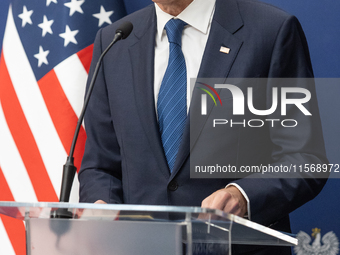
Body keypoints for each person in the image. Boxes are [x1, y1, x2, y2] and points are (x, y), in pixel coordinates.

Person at [78, 0, 328, 254]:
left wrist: (241, 196)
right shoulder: (114, 40)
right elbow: (101, 164)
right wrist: (103, 205)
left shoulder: (271, 30)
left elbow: (306, 159)